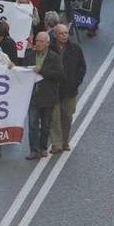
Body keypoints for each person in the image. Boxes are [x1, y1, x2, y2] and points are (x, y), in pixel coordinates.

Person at [23, 32, 64, 160]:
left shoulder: (54, 57)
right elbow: (23, 70)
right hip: (33, 96)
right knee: (32, 124)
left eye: (41, 41)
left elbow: (59, 75)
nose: (38, 43)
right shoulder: (29, 56)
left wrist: (41, 70)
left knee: (45, 125)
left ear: (47, 43)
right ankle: (34, 150)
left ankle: (43, 148)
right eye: (37, 41)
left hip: (48, 97)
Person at [49, 24, 86, 154]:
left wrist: (75, 83)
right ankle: (56, 144)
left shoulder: (75, 49)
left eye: (66, 33)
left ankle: (65, 141)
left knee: (67, 117)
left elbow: (82, 67)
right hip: (54, 90)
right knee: (54, 118)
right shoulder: (50, 49)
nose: (64, 35)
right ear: (55, 35)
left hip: (69, 91)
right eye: (61, 33)